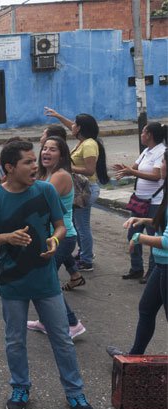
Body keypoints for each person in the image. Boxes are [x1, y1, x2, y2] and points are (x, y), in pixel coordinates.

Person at [0, 141, 95, 409]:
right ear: (9, 168)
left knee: (62, 339)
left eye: (34, 160)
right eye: (28, 162)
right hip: (12, 279)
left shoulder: (46, 190)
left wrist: (55, 239)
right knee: (15, 340)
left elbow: (61, 225)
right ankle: (20, 388)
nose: (35, 166)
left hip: (45, 277)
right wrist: (6, 237)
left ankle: (75, 391)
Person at [107, 150, 167, 357]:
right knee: (146, 308)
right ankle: (134, 358)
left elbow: (167, 241)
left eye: (163, 161)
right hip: (162, 265)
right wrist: (143, 221)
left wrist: (138, 238)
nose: (161, 165)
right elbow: (164, 225)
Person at [26, 136, 87, 339]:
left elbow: (38, 202)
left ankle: (73, 323)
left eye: (53, 149)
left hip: (62, 236)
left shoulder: (60, 176)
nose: (46, 152)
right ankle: (45, 321)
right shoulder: (46, 174)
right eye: (44, 148)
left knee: (46, 281)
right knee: (42, 279)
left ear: (61, 155)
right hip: (49, 236)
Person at [44, 108, 109, 271]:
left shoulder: (88, 145)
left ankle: (87, 259)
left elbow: (90, 170)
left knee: (82, 226)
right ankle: (82, 253)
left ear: (79, 128)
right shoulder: (84, 141)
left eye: (75, 124)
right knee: (76, 224)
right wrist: (58, 116)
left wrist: (68, 167)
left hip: (86, 190)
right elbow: (71, 125)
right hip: (80, 189)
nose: (71, 126)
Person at [113, 122, 166, 283]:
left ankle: (152, 272)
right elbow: (134, 168)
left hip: (154, 201)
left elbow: (157, 176)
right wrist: (124, 169)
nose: (141, 134)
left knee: (152, 237)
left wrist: (131, 171)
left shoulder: (161, 151)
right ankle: (136, 268)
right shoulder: (146, 151)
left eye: (143, 132)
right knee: (132, 234)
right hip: (139, 200)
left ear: (149, 135)